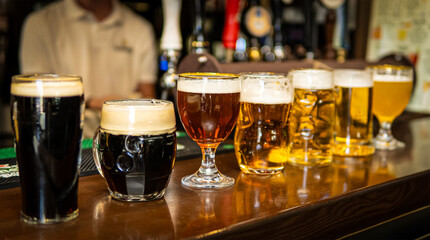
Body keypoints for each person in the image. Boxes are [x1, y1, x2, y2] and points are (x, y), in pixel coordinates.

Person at [19, 0, 157, 138]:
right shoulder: (39, 23)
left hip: (124, 138)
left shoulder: (140, 27)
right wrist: (93, 103)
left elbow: (149, 99)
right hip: (62, 138)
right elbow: (38, 100)